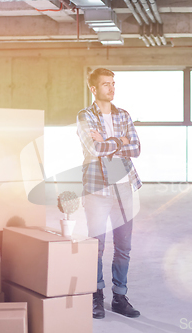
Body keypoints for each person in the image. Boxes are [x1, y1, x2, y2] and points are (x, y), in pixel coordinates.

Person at [76, 68, 142, 319]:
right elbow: (94, 147)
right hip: (97, 190)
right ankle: (95, 295)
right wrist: (120, 141)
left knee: (124, 247)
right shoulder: (84, 116)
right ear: (93, 89)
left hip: (124, 188)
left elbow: (136, 148)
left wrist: (109, 140)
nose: (111, 88)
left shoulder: (123, 115)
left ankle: (119, 297)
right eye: (105, 84)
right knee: (96, 247)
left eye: (113, 83)